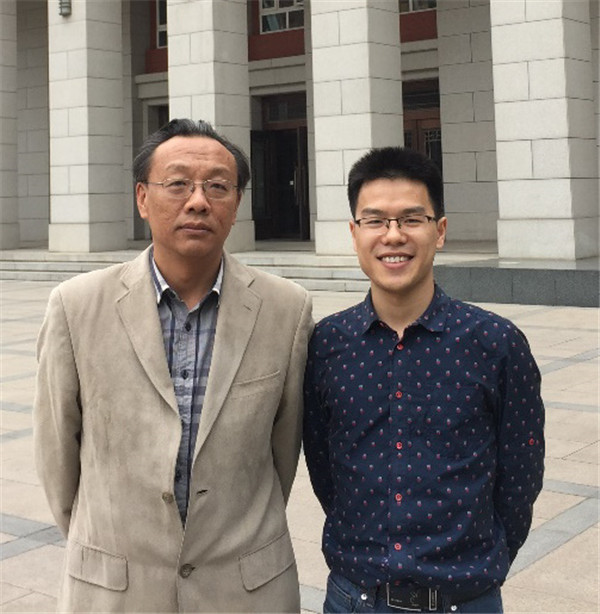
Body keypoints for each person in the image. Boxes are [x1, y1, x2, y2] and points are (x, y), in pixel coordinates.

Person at [34, 118, 313, 613]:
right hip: (116, 591)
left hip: (245, 592)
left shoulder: (286, 309)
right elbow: (58, 456)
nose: (198, 201)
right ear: (142, 198)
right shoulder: (76, 306)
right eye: (178, 183)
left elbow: (282, 454)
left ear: (236, 204)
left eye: (218, 187)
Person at [303, 147, 544, 614]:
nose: (393, 235)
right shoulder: (328, 345)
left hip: (464, 601)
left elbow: (519, 478)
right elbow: (324, 467)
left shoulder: (495, 343)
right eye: (375, 221)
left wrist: (479, 562)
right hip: (353, 599)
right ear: (354, 234)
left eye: (412, 219)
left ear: (441, 231)